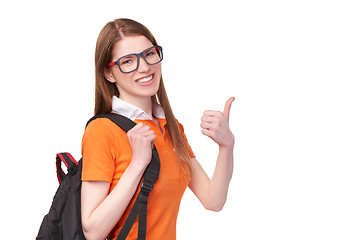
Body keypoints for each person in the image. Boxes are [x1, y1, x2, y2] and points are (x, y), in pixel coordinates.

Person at [81, 18, 235, 240]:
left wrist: (226, 146)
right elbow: (92, 231)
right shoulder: (102, 130)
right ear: (109, 73)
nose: (144, 67)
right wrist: (138, 164)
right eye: (128, 61)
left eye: (149, 54)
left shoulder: (171, 127)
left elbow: (213, 200)